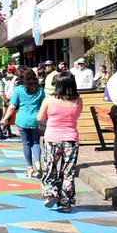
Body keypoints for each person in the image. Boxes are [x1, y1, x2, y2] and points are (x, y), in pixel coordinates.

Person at [37, 72, 83, 212]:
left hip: (52, 139)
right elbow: (77, 115)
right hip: (71, 139)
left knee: (51, 167)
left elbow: (40, 117)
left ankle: (51, 193)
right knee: (68, 171)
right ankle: (66, 201)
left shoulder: (49, 100)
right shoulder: (78, 101)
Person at [2, 68, 45, 177]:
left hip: (22, 119)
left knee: (26, 144)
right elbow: (43, 105)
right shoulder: (40, 90)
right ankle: (38, 163)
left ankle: (29, 167)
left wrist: (5, 118)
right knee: (35, 142)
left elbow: (12, 106)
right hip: (36, 119)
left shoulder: (19, 89)